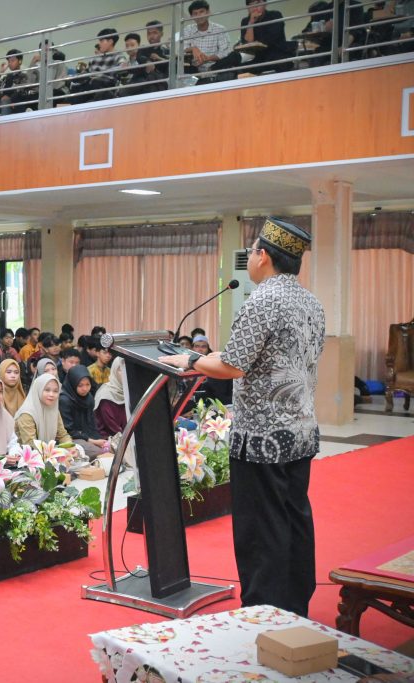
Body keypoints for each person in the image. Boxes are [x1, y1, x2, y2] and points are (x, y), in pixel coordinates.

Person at [158, 217, 324, 617]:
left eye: (251, 252)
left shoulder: (263, 299)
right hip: (300, 433)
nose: (250, 258)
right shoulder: (311, 302)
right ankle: (294, 605)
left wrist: (192, 360)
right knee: (294, 517)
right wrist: (204, 359)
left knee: (260, 529)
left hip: (263, 439)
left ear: (263, 256)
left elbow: (233, 364)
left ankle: (264, 613)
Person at [59, 366, 110, 458]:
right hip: (72, 438)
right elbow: (69, 430)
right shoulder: (64, 400)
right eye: (80, 385)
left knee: (110, 448)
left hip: (87, 435)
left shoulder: (88, 397)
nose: (85, 389)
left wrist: (98, 439)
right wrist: (93, 441)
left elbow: (92, 422)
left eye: (88, 384)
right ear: (73, 384)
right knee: (100, 453)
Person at [14, 374, 72, 445]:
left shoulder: (54, 410)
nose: (51, 394)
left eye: (55, 391)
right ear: (38, 389)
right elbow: (30, 443)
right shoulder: (27, 413)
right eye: (47, 390)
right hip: (27, 453)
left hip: (47, 451)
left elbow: (63, 435)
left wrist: (70, 446)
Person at [182, 0, 233, 77]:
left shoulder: (220, 29)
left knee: (234, 56)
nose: (199, 15)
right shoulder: (188, 29)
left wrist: (207, 58)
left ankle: (210, 72)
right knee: (176, 63)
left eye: (201, 12)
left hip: (215, 67)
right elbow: (182, 50)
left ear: (208, 12)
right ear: (191, 17)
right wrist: (193, 48)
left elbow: (225, 52)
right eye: (195, 13)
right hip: (194, 69)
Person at [94, 357, 128, 439]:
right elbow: (111, 426)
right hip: (108, 437)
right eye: (120, 370)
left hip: (126, 434)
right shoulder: (106, 394)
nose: (125, 373)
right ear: (114, 371)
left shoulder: (129, 390)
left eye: (127, 369)